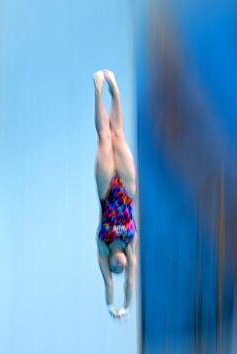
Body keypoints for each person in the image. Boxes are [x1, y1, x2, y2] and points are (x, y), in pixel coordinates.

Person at [93, 70, 138, 318]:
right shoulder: (131, 246)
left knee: (104, 137)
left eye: (115, 269)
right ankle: (115, 90)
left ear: (109, 264)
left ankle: (99, 90)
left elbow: (110, 284)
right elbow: (130, 280)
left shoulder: (103, 246)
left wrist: (113, 305)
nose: (120, 268)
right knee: (118, 136)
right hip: (128, 191)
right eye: (123, 269)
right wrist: (128, 306)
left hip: (107, 191)